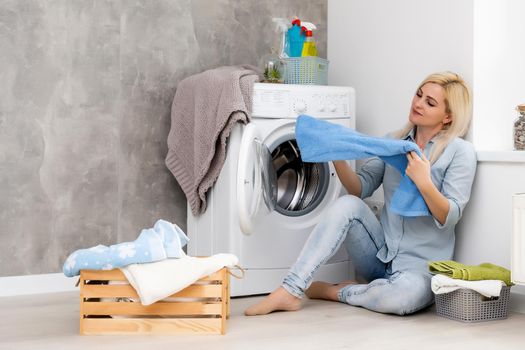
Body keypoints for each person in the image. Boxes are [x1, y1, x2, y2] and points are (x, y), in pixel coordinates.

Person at [245, 71, 477, 316]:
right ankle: (290, 290)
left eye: (430, 102)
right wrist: (334, 155)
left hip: (419, 271)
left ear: (448, 116)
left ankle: (338, 292)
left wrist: (424, 183)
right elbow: (360, 188)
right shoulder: (393, 142)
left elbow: (450, 216)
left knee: (402, 298)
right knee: (347, 204)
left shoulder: (460, 152)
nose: (418, 103)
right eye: (418, 95)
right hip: (379, 255)